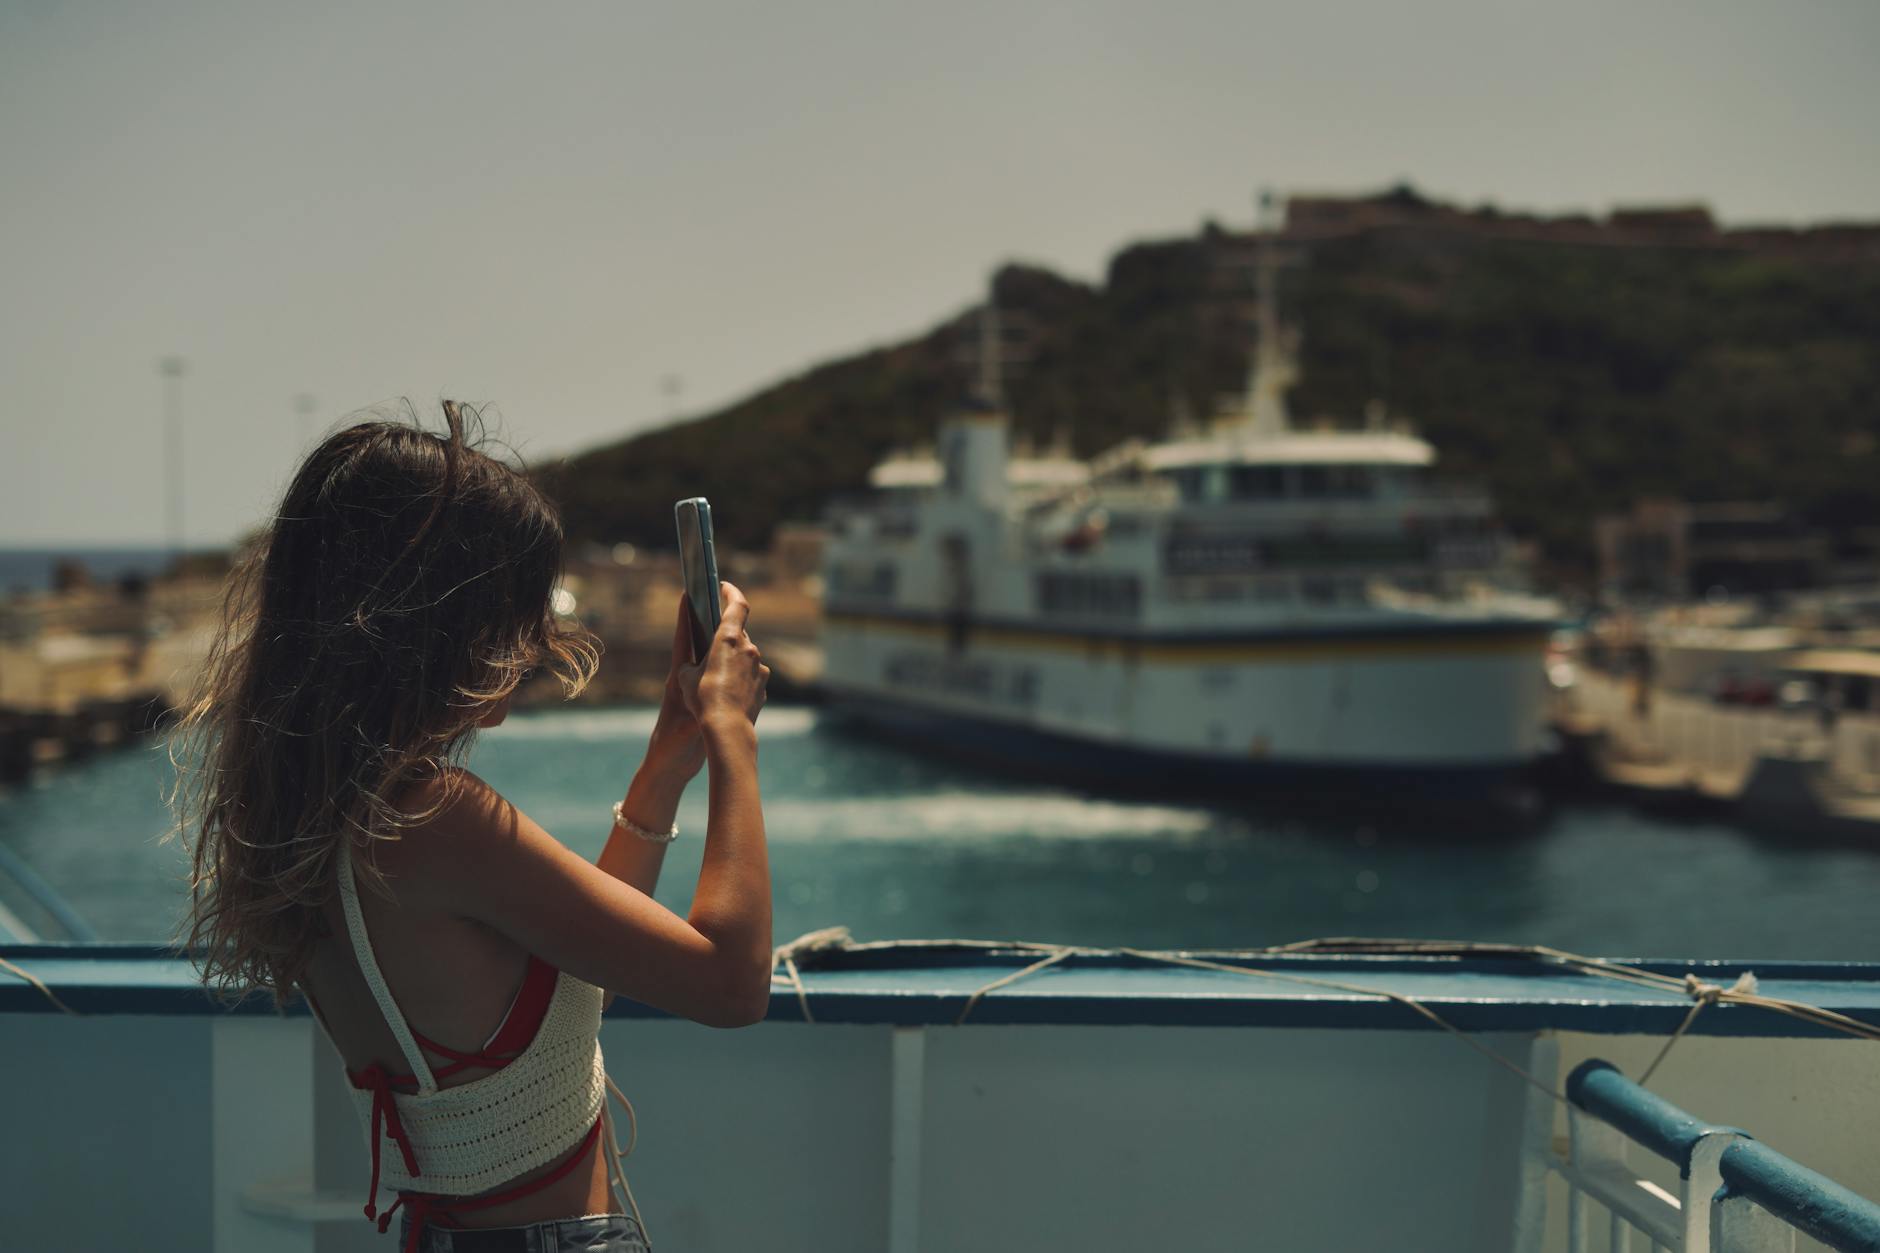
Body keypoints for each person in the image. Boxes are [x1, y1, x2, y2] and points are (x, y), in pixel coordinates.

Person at [173, 402, 772, 1253]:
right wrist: (732, 734)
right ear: (441, 626)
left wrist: (664, 767)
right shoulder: (434, 815)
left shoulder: (318, 816)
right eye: (515, 616)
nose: (531, 646)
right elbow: (731, 984)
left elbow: (571, 973)